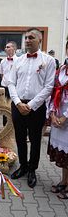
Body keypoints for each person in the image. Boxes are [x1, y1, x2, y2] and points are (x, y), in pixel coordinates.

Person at [8, 28, 56, 188]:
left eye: (31, 37)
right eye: (26, 37)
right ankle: (23, 165)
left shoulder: (48, 61)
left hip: (36, 108)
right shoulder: (18, 60)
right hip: (17, 105)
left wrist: (31, 105)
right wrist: (17, 102)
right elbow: (11, 83)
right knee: (20, 138)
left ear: (40, 40)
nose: (27, 40)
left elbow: (49, 86)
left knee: (35, 140)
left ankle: (32, 169)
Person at [47, 58, 68, 199]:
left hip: (66, 116)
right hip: (58, 114)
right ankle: (64, 181)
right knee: (64, 155)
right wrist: (53, 113)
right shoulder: (61, 69)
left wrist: (65, 117)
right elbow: (54, 92)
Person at [0, 41, 17, 125]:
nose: (6, 48)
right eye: (6, 47)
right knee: (4, 107)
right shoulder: (2, 62)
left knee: (14, 106)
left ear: (14, 48)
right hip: (5, 87)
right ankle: (4, 125)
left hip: (15, 87)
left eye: (8, 47)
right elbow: (2, 74)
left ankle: (13, 125)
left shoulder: (19, 60)